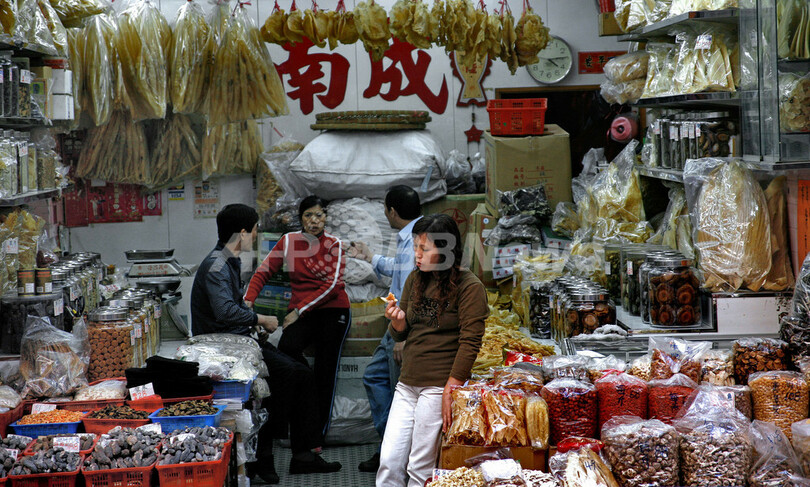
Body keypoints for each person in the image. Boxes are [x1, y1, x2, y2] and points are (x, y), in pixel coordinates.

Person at [190, 204, 341, 485]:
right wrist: (260, 318)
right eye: (255, 230)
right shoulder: (217, 265)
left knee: (301, 373)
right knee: (288, 374)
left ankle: (301, 454)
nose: (256, 235)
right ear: (243, 233)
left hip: (240, 340)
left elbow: (233, 307)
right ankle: (265, 456)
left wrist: (253, 325)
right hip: (222, 347)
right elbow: (224, 311)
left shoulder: (229, 260)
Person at [376, 214, 489, 487]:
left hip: (438, 386)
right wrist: (397, 322)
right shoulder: (415, 279)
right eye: (416, 246)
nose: (417, 254)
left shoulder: (469, 286)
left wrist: (452, 386)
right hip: (407, 382)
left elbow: (470, 342)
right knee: (389, 461)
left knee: (420, 466)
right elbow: (402, 333)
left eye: (424, 249)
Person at [245, 195, 351, 441]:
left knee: (326, 371)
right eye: (308, 215)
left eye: (319, 215)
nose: (313, 221)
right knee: (287, 348)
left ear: (325, 217)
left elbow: (333, 286)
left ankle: (316, 438)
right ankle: (306, 382)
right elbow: (263, 272)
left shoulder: (334, 244)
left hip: (333, 310)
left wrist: (298, 311)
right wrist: (248, 300)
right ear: (301, 218)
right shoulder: (289, 241)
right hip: (304, 311)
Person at [347, 185, 422, 473]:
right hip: (396, 327)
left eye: (385, 210)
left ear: (392, 211)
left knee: (396, 391)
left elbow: (413, 291)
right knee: (375, 377)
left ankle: (395, 456)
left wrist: (404, 336)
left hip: (404, 328)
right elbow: (400, 270)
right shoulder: (410, 236)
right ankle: (390, 447)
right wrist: (370, 258)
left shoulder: (415, 239)